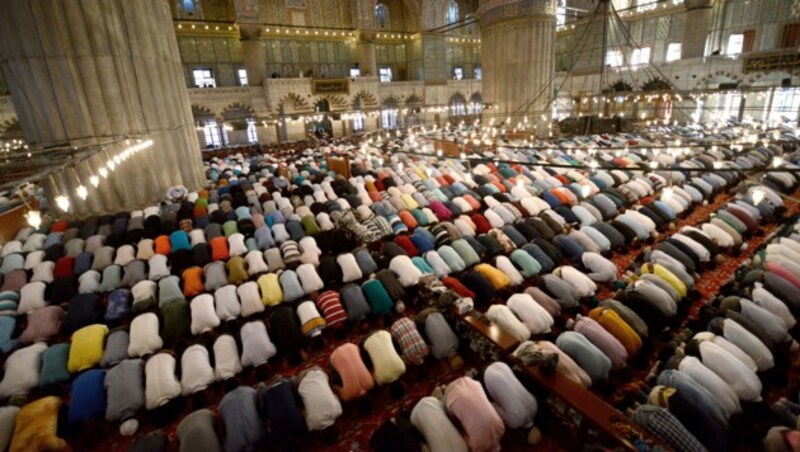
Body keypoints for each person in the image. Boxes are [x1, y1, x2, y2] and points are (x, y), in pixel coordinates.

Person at [442, 376, 505, 452]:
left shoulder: (500, 429)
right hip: (454, 391)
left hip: (466, 382)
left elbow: (454, 421)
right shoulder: (479, 445)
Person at [482, 362, 540, 443]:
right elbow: (495, 407)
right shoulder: (514, 423)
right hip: (488, 376)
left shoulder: (535, 406)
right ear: (524, 433)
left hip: (502, 366)